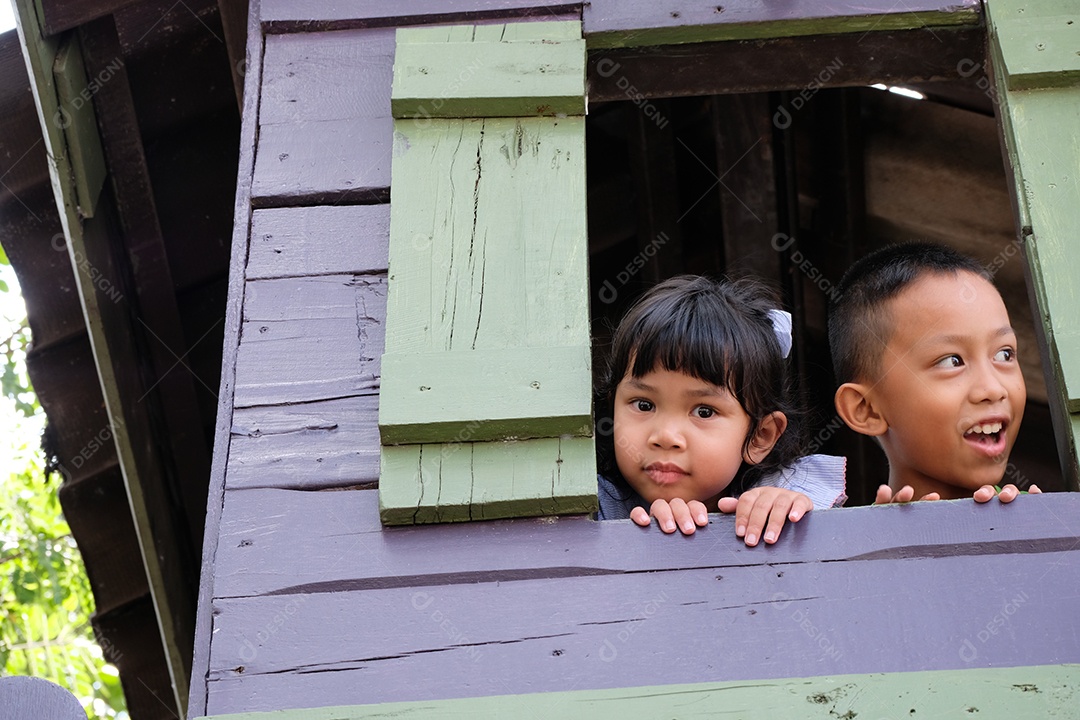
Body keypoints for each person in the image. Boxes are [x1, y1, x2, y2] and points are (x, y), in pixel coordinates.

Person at [595, 275, 846, 545]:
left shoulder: (779, 495)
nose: (666, 436)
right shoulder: (589, 507)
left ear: (759, 436)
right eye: (644, 405)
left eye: (704, 411)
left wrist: (784, 516)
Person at [828, 242, 1040, 503]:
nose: (993, 389)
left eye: (1004, 354)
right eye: (952, 361)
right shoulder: (854, 541)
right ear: (866, 408)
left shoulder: (1037, 521)